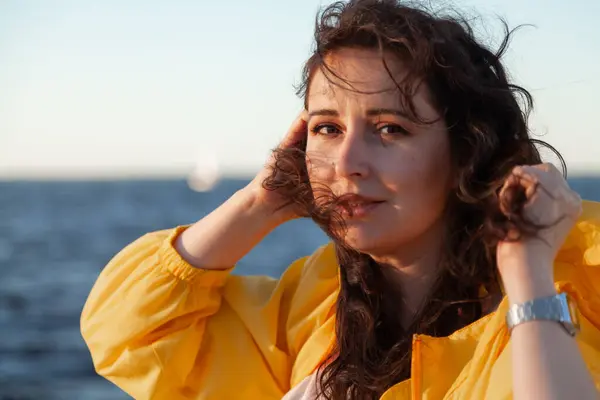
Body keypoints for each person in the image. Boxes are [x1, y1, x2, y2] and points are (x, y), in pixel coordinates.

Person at [81, 0, 600, 399]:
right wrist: (257, 205)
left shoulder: (579, 278)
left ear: (468, 150)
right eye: (327, 127)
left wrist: (528, 272)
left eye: (390, 129)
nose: (346, 160)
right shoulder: (310, 306)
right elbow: (129, 335)